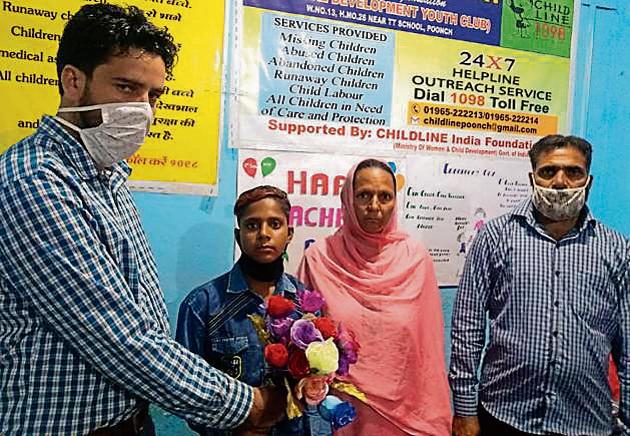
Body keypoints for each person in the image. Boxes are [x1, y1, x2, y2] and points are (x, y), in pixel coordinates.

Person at [0, 4, 284, 435]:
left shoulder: (107, 177)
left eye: (153, 95)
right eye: (126, 87)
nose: (144, 110)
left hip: (127, 420)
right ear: (73, 81)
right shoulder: (35, 180)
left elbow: (141, 321)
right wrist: (245, 405)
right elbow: (117, 336)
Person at [449, 134, 630, 435]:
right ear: (533, 179)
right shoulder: (495, 237)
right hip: (504, 417)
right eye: (548, 172)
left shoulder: (617, 249)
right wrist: (464, 410)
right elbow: (467, 328)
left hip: (586, 421)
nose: (560, 182)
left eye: (573, 172)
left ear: (589, 181)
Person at [297, 159, 452, 435]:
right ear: (348, 199)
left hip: (407, 414)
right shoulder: (320, 259)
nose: (374, 206)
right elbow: (303, 340)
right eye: (364, 195)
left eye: (385, 197)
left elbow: (428, 352)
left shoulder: (415, 259)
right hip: (341, 411)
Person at [176, 185, 332, 436]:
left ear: (289, 233)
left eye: (274, 224)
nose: (263, 234)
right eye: (252, 225)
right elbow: (185, 390)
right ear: (238, 237)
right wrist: (234, 429)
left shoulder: (306, 305)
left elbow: (320, 383)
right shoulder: (203, 306)